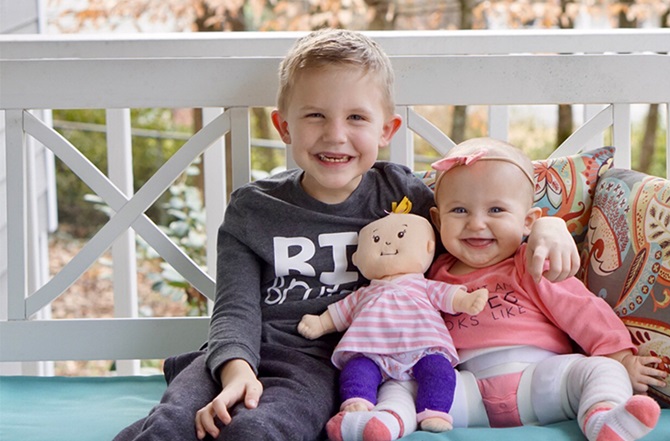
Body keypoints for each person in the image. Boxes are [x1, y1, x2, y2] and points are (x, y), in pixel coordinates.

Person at [114, 29, 578, 441]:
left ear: (386, 130)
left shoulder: (405, 195)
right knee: (172, 424)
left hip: (324, 365)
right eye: (315, 115)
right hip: (238, 351)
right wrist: (237, 371)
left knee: (258, 429)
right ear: (284, 126)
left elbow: (480, 220)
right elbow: (234, 309)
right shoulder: (254, 209)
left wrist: (549, 226)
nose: (335, 135)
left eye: (356, 118)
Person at [429, 138, 667, 441]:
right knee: (407, 387)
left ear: (528, 221)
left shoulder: (531, 263)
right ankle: (383, 419)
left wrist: (620, 358)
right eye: (460, 210)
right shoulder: (433, 275)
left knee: (601, 372)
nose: (477, 224)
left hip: (540, 381)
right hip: (468, 392)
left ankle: (604, 419)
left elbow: (582, 309)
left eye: (496, 210)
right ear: (437, 220)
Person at [298, 209, 489, 436]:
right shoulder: (364, 293)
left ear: (429, 247)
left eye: (400, 236)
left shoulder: (423, 285)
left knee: (439, 371)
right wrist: (320, 322)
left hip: (422, 348)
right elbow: (340, 313)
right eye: (376, 239)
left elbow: (448, 297)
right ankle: (357, 401)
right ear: (358, 259)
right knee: (356, 370)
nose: (387, 242)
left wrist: (465, 300)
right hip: (372, 351)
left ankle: (434, 411)